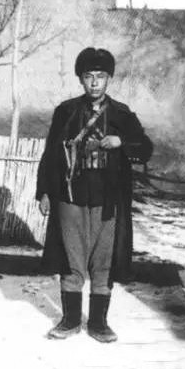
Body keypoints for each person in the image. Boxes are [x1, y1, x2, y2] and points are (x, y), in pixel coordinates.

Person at [36, 47, 153, 343]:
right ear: (81, 79)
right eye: (88, 76)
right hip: (70, 195)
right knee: (71, 259)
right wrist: (44, 192)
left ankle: (99, 323)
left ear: (109, 79)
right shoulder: (66, 111)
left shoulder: (122, 114)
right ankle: (70, 320)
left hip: (108, 198)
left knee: (104, 260)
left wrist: (121, 141)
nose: (94, 82)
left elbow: (145, 149)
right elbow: (51, 154)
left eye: (100, 76)